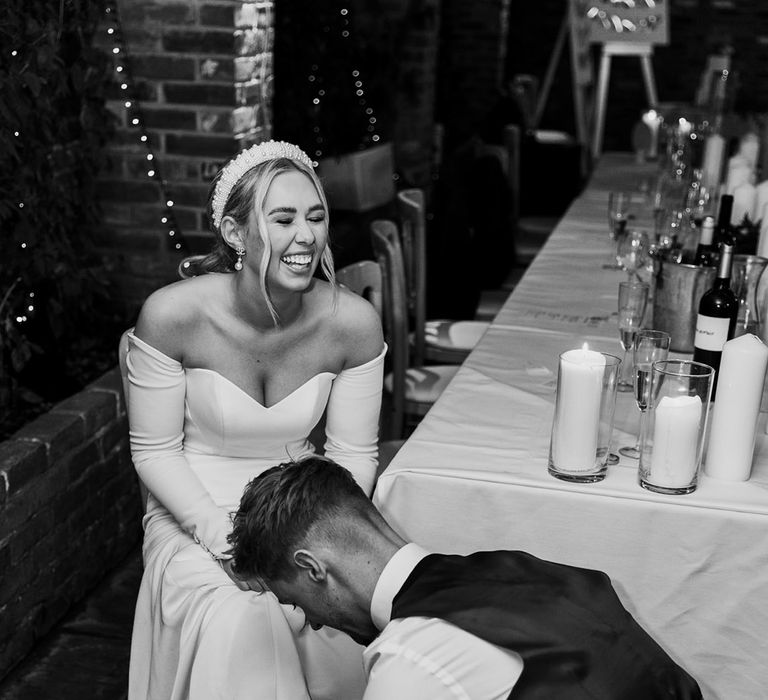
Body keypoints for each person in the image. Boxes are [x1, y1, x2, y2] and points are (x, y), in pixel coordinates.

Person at [123, 140, 385, 700]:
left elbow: (353, 456)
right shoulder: (173, 315)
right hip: (193, 513)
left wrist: (315, 531)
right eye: (284, 218)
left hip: (301, 511)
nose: (307, 236)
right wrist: (227, 542)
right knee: (240, 616)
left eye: (316, 217)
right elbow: (155, 453)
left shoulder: (354, 324)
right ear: (236, 233)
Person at [228, 455, 704, 700]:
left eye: (296, 602)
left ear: (313, 567)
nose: (311, 623)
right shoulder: (517, 568)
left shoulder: (409, 660)